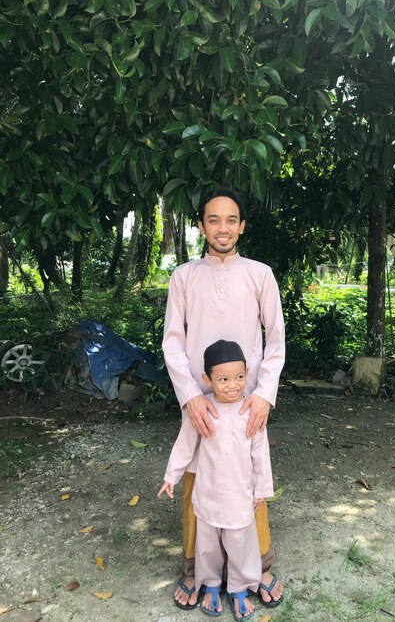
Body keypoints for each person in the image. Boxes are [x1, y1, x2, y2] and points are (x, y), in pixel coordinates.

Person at [162, 187, 285, 610]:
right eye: (213, 220)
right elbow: (173, 343)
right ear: (201, 226)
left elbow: (276, 341)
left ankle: (259, 566)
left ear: (242, 226)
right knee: (200, 478)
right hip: (201, 400)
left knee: (249, 481)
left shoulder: (260, 274)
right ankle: (197, 569)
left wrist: (264, 395)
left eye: (230, 220)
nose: (222, 228)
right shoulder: (184, 276)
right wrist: (191, 399)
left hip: (246, 400)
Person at [158, 340, 274, 620]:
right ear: (207, 379)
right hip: (208, 493)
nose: (233, 385)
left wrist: (262, 489)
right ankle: (209, 584)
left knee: (240, 545)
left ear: (247, 373)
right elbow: (185, 445)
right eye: (223, 379)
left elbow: (261, 454)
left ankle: (239, 589)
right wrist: (171, 475)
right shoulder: (201, 411)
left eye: (239, 377)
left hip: (240, 496)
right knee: (207, 544)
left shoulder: (251, 410)